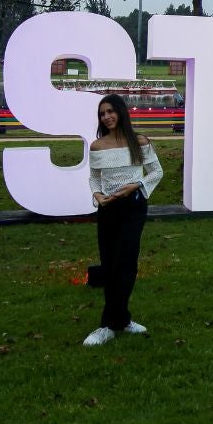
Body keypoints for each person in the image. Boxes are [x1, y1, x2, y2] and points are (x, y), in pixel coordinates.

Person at [83, 93, 162, 347]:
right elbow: (94, 177)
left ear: (121, 112)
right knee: (109, 264)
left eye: (110, 111)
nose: (107, 117)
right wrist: (97, 195)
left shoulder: (139, 142)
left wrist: (134, 186)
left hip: (133, 206)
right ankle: (123, 319)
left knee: (126, 262)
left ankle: (108, 325)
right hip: (108, 208)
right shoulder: (97, 147)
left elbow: (156, 172)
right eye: (102, 113)